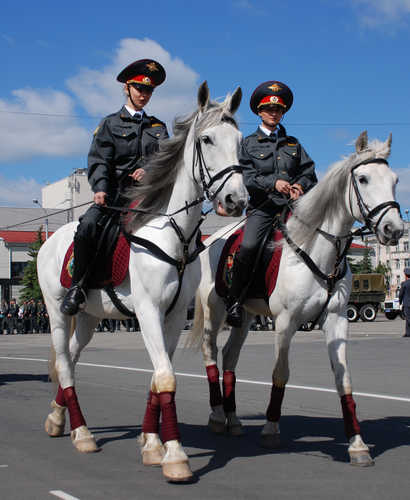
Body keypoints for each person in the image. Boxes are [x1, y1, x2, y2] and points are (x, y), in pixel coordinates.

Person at [60, 59, 168, 316]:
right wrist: (100, 188)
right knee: (87, 226)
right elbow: (99, 160)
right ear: (127, 89)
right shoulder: (110, 123)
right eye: (139, 89)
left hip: (149, 198)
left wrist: (150, 171)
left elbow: (168, 162)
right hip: (115, 197)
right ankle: (78, 286)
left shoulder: (159, 128)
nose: (144, 94)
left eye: (149, 90)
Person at [226, 81, 317, 327]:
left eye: (277, 109)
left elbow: (309, 173)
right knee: (249, 245)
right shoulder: (248, 143)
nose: (273, 113)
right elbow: (246, 176)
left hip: (293, 209)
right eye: (268, 109)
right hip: (262, 208)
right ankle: (235, 300)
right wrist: (273, 183)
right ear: (259, 111)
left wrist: (299, 186)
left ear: (283, 112)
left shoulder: (293, 144)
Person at [399, 268, 410, 337]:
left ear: (405, 275)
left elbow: (401, 294)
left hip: (407, 303)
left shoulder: (404, 284)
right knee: (408, 318)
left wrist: (400, 302)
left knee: (408, 317)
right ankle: (408, 332)